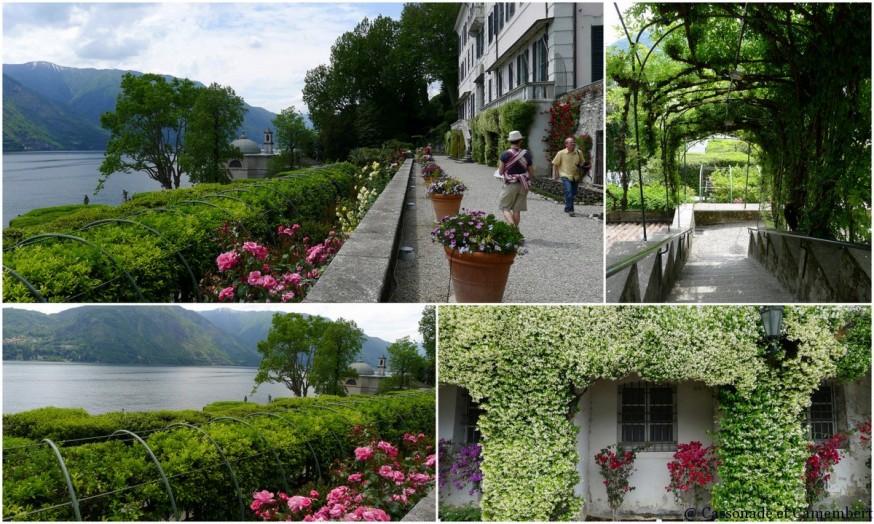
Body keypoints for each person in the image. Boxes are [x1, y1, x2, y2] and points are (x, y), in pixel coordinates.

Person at [498, 130, 535, 227]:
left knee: (505, 208)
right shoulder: (527, 154)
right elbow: (531, 172)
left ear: (510, 141)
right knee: (516, 210)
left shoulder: (505, 154)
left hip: (510, 184)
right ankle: (515, 232)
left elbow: (501, 172)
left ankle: (512, 226)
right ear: (520, 141)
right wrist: (526, 179)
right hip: (523, 184)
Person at [551, 136, 588, 216]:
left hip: (575, 176)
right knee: (569, 191)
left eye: (573, 142)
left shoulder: (579, 152)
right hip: (565, 175)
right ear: (566, 144)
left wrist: (581, 165)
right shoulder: (561, 153)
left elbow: (583, 162)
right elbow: (554, 164)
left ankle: (567, 207)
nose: (573, 144)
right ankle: (571, 210)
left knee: (573, 193)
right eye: (571, 143)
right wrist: (554, 175)